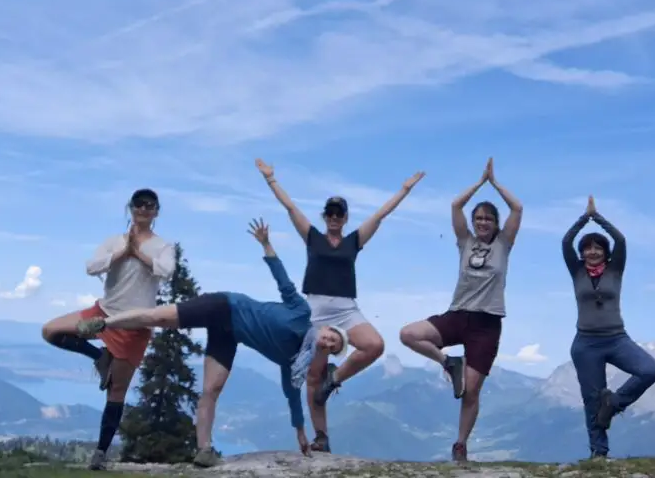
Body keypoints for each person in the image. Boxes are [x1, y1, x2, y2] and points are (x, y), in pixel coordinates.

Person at [76, 218, 349, 468]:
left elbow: (292, 395)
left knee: (212, 389)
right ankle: (105, 323)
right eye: (331, 336)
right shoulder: (302, 314)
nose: (328, 342)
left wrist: (301, 432)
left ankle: (203, 450)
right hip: (224, 306)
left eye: (332, 347)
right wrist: (266, 244)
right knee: (159, 317)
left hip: (229, 336)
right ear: (325, 328)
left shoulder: (294, 362)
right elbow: (283, 281)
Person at [255, 158, 423, 453]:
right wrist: (271, 179)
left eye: (339, 213)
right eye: (330, 213)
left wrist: (404, 190)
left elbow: (381, 215)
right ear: (325, 217)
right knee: (312, 376)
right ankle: (322, 437)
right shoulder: (313, 238)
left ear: (345, 218)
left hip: (346, 309)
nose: (334, 217)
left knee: (374, 346)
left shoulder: (354, 241)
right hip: (317, 311)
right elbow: (291, 208)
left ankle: (336, 378)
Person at [40, 188, 176, 471]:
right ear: (131, 208)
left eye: (150, 206)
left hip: (135, 323)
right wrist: (121, 254)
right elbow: (91, 267)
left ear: (156, 212)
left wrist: (137, 254)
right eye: (139, 205)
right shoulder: (113, 242)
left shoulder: (163, 246)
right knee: (51, 330)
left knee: (116, 392)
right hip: (102, 312)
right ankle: (99, 357)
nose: (144, 210)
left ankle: (100, 454)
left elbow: (166, 271)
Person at [397, 158, 523, 463]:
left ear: (495, 223)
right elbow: (455, 206)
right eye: (478, 218)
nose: (481, 223)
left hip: (487, 323)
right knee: (408, 334)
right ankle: (448, 362)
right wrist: (479, 182)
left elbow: (517, 209)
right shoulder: (464, 241)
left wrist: (495, 184)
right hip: (457, 315)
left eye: (487, 219)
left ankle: (460, 445)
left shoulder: (504, 244)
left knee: (471, 392)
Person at [562, 195, 655, 459]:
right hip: (585, 344)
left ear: (605, 252)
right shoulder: (577, 271)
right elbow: (565, 242)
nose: (592, 252)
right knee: (591, 399)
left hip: (617, 339)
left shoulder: (616, 269)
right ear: (582, 253)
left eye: (598, 248)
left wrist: (598, 218)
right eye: (587, 248)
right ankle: (599, 452)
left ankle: (614, 403)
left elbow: (621, 240)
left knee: (650, 370)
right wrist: (584, 218)